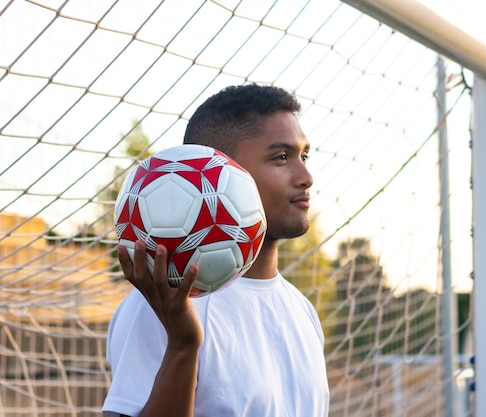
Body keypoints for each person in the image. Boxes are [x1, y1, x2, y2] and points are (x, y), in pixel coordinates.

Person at [102, 84, 329, 417]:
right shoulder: (163, 304)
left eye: (304, 156)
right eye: (281, 157)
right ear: (223, 173)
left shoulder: (302, 310)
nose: (306, 176)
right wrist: (183, 346)